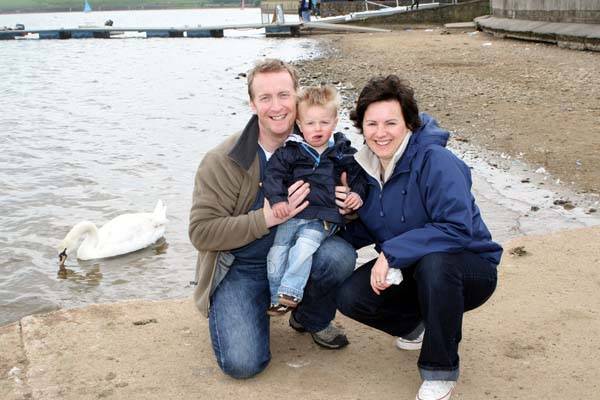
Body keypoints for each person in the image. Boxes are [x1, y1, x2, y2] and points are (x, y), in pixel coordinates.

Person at [336, 75, 503, 400]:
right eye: (372, 123)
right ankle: (418, 327)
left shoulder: (435, 161)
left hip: (469, 267)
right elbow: (370, 227)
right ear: (361, 126)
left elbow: (456, 228)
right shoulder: (364, 171)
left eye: (390, 122)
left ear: (408, 124)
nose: (380, 133)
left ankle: (440, 370)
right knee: (350, 295)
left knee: (435, 264)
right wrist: (338, 217)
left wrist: (390, 254)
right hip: (413, 266)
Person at [188, 59, 357, 379]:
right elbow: (201, 232)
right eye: (265, 98)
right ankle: (253, 307)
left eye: (284, 95)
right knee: (242, 365)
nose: (276, 106)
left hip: (300, 254)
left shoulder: (326, 144)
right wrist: (263, 218)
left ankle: (310, 317)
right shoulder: (222, 161)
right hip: (241, 266)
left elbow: (357, 196)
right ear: (252, 104)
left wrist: (348, 206)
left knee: (340, 256)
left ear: (298, 97)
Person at [263, 85, 366, 315]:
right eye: (310, 123)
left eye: (324, 122)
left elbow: (360, 176)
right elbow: (273, 175)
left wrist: (356, 195)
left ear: (335, 121)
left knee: (304, 247)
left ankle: (291, 292)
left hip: (323, 218)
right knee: (278, 251)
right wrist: (278, 200)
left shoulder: (341, 153)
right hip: (291, 215)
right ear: (299, 124)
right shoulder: (291, 151)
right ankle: (276, 296)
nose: (317, 129)